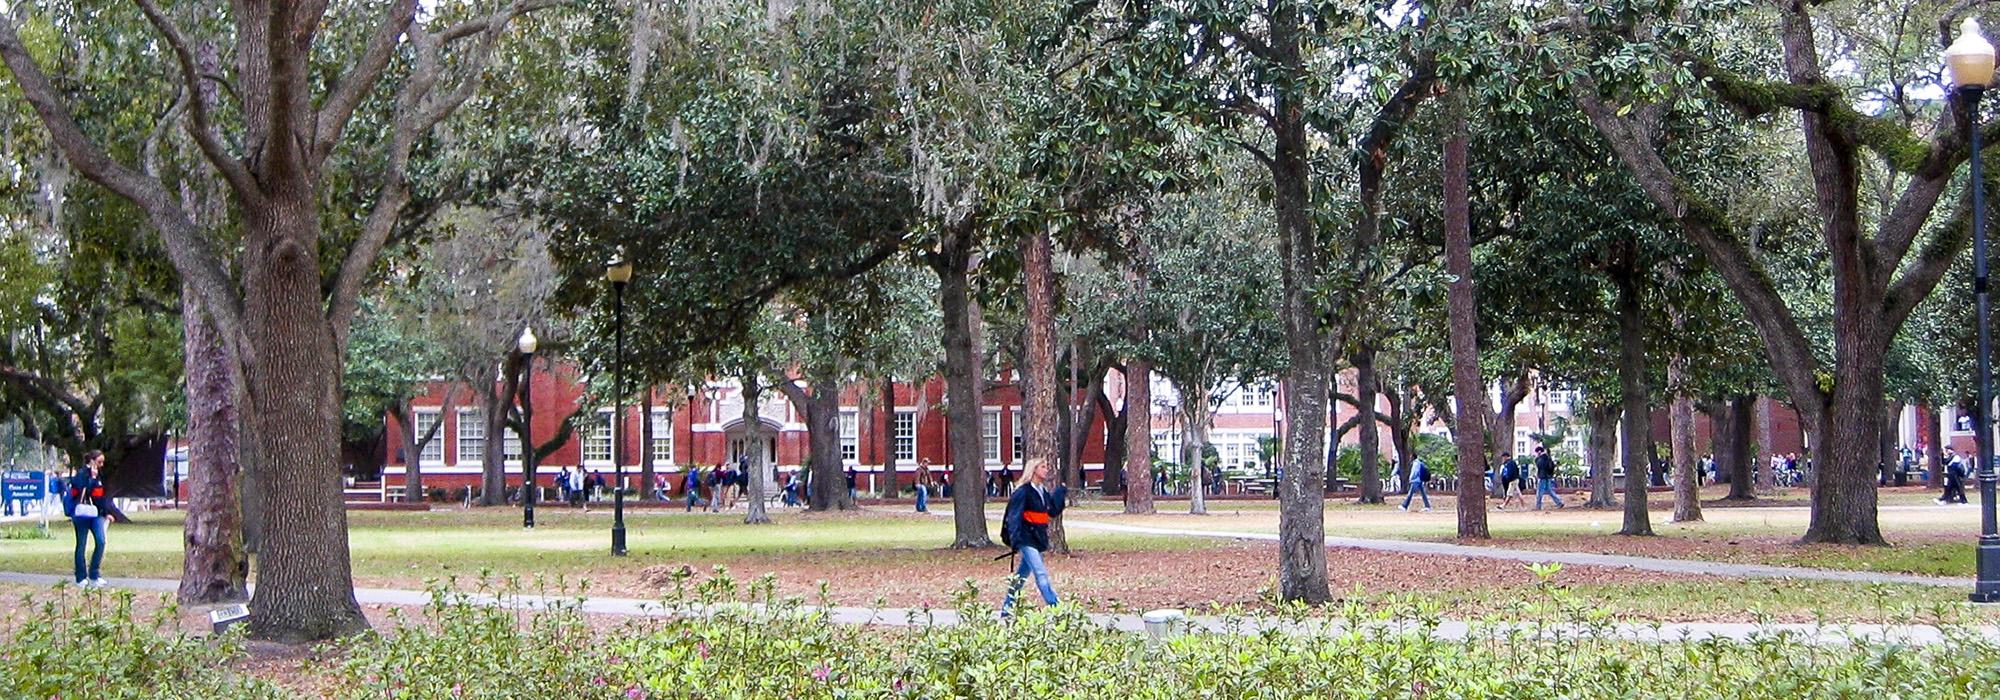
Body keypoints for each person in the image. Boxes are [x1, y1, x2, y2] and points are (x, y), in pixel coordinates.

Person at [1000, 457, 1067, 618]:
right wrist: (1014, 539)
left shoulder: (1042, 491)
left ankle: (1007, 607)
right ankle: (1056, 606)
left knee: (1021, 576)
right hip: (1026, 538)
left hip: (1037, 538)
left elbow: (1052, 511)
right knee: (1040, 573)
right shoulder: (1023, 491)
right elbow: (1014, 516)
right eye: (1043, 467)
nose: (1046, 470)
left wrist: (1060, 493)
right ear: (1034, 470)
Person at [66, 450, 112, 588]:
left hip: (96, 513)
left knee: (101, 541)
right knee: (81, 544)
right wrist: (91, 478)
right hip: (82, 513)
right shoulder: (81, 474)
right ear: (91, 461)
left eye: (102, 462)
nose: (101, 465)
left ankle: (94, 574)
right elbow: (81, 489)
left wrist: (106, 512)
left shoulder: (100, 475)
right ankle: (81, 577)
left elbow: (101, 496)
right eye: (99, 462)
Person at [1533, 445, 1565, 510]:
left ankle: (1538, 506)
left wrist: (1537, 458)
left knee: (1539, 492)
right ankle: (1559, 502)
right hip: (1548, 476)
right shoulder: (1548, 457)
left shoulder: (1541, 459)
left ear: (1539, 451)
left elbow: (1539, 466)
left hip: (1542, 477)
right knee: (1550, 491)